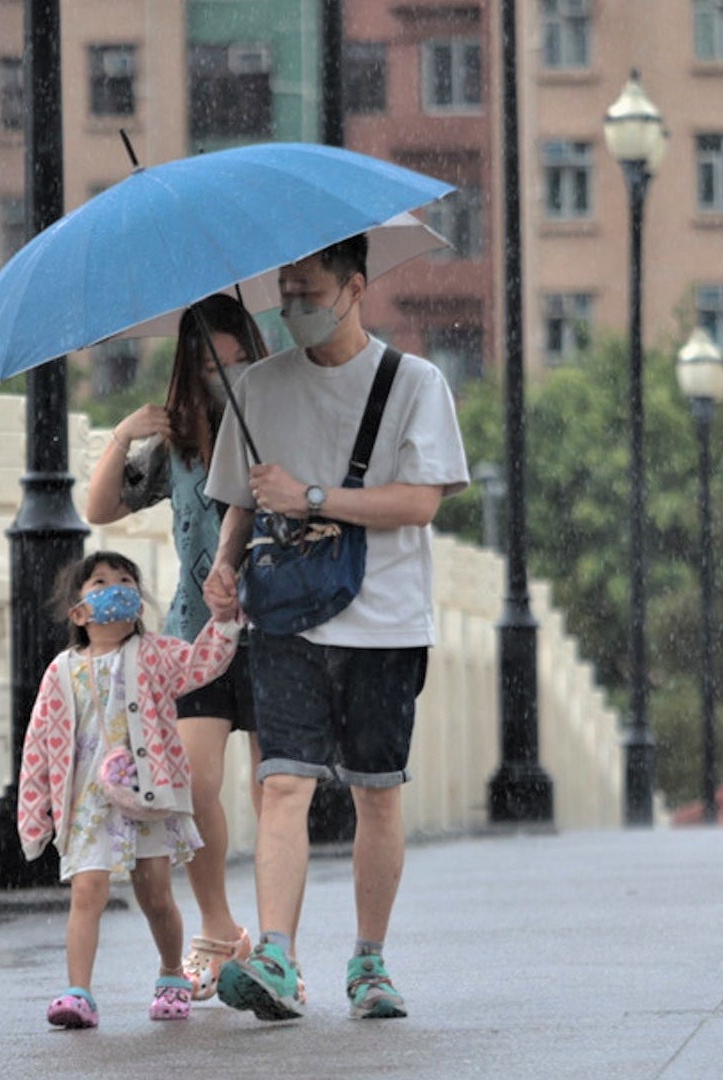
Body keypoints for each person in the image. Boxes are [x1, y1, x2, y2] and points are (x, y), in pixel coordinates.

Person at [203, 233, 469, 1022]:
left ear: (355, 287)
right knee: (281, 782)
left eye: (310, 292)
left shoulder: (415, 384)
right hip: (287, 618)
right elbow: (242, 502)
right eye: (286, 292)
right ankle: (278, 955)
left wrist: (313, 497)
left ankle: (369, 961)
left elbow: (420, 503)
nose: (294, 307)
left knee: (375, 795)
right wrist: (224, 566)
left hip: (386, 621)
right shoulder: (258, 386)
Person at [84, 293, 267, 1001]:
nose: (221, 370)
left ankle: (278, 944)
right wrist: (121, 436)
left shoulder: (275, 424)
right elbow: (99, 509)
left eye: (233, 356)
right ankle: (219, 932)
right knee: (190, 786)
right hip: (196, 637)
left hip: (277, 627)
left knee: (274, 786)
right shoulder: (181, 446)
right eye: (207, 359)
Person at [16, 550, 243, 1028]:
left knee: (156, 895)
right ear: (79, 612)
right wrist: (35, 812)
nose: (116, 587)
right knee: (87, 890)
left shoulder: (158, 655)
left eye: (126, 580)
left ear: (138, 605)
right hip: (86, 803)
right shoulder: (61, 672)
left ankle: (170, 975)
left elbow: (203, 663)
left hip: (146, 797)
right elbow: (39, 744)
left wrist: (224, 621)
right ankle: (78, 992)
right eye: (100, 582)